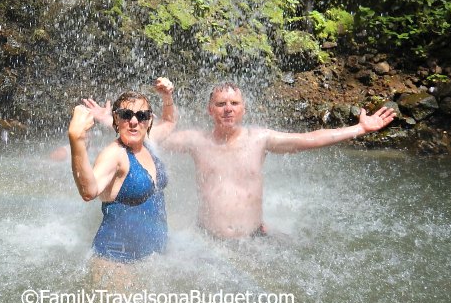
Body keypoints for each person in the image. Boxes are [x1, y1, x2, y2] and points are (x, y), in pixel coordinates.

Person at [161, 82, 396, 240]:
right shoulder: (195, 140)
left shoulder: (260, 139)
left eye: (234, 104)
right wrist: (167, 100)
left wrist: (360, 128)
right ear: (210, 110)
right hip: (207, 240)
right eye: (221, 104)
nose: (228, 110)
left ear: (244, 109)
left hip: (254, 239)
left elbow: (310, 139)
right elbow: (153, 140)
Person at [68, 77, 176, 264]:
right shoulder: (115, 155)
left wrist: (167, 97)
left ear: (149, 120)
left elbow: (169, 122)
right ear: (116, 119)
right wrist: (76, 139)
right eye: (126, 115)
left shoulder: (148, 142)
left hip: (154, 260)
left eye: (141, 116)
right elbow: (89, 191)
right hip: (116, 261)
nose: (134, 121)